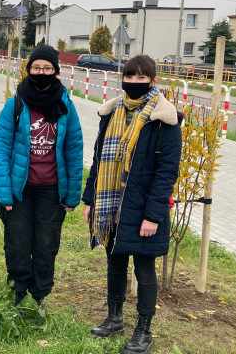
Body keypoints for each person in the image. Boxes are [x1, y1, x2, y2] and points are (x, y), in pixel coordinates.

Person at [82, 54, 181, 354]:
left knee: (144, 269)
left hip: (141, 209)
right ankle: (114, 319)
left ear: (153, 80)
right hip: (110, 204)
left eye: (141, 78)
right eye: (129, 76)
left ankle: (144, 331)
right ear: (122, 77)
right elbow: (99, 160)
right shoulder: (111, 112)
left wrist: (152, 216)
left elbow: (167, 173)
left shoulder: (165, 119)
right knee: (114, 264)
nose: (134, 82)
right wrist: (90, 199)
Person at [0, 44, 83, 312]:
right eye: (36, 68)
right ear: (28, 69)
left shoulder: (66, 105)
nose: (41, 72)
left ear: (56, 71)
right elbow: (2, 148)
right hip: (20, 189)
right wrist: (4, 194)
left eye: (47, 68)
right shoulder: (16, 103)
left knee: (46, 244)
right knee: (17, 243)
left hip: (52, 190)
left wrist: (72, 195)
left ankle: (40, 294)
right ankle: (17, 291)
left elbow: (74, 149)